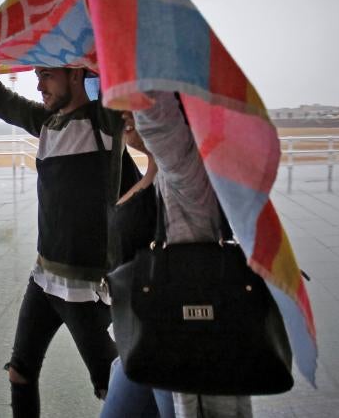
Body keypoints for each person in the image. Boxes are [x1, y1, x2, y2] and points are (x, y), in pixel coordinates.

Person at [0, 41, 123, 417]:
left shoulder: (106, 121)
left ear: (77, 72)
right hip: (43, 278)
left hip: (85, 286)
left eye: (47, 75)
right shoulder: (47, 124)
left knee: (110, 386)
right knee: (20, 372)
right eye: (37, 75)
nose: (39, 85)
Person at [101, 91, 252, 418]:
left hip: (180, 342)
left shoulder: (187, 177)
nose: (124, 113)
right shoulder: (159, 176)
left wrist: (132, 51)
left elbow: (159, 115)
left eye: (135, 104)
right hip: (143, 339)